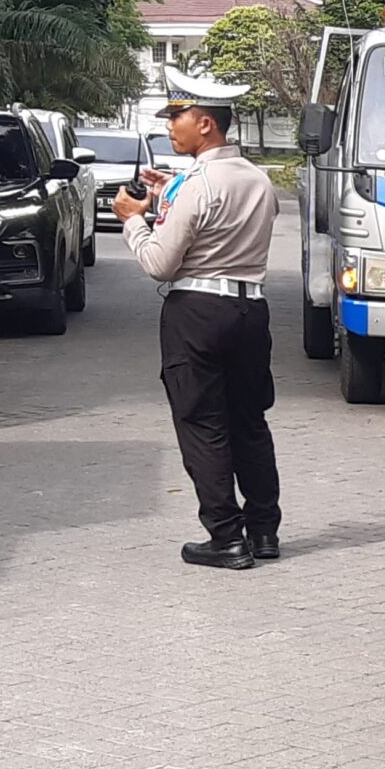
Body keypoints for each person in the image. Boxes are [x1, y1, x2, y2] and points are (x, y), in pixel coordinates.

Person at [117, 66, 283, 571]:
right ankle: (264, 532)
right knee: (249, 422)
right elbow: (223, 208)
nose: (171, 125)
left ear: (206, 124)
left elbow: (158, 265)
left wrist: (134, 220)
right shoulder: (259, 178)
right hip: (250, 308)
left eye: (178, 115)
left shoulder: (197, 183)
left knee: (203, 424)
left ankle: (225, 537)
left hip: (197, 312)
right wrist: (176, 187)